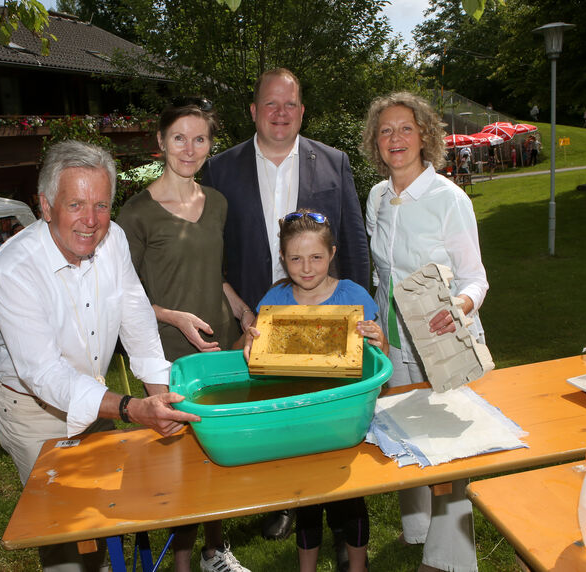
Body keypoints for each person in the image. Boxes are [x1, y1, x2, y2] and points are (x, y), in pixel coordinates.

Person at [0, 140, 200, 571]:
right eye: (76, 204)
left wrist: (162, 404)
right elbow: (44, 374)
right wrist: (132, 407)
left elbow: (136, 320)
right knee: (69, 527)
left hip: (96, 395)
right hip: (32, 408)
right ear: (46, 205)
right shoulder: (13, 267)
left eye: (101, 205)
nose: (91, 221)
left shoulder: (114, 239)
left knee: (107, 509)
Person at [201, 67, 371, 543]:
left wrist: (355, 314)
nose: (280, 113)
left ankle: (337, 503)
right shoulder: (220, 168)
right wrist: (237, 307)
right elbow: (211, 248)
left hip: (325, 315)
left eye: (290, 105)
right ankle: (279, 501)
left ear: (302, 112)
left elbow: (353, 245)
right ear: (254, 111)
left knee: (320, 413)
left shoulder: (333, 162)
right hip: (257, 316)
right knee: (270, 408)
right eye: (270, 104)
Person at [116, 98, 252, 572]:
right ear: (160, 142)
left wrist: (239, 307)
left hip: (221, 345)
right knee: (178, 463)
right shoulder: (135, 215)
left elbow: (212, 270)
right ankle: (179, 563)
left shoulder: (216, 203)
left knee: (216, 452)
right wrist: (172, 316)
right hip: (170, 355)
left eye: (200, 139)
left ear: (210, 145)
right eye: (179, 137)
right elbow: (121, 298)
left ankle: (215, 551)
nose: (189, 148)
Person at [361, 92, 488, 572]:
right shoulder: (376, 196)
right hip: (392, 337)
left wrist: (458, 304)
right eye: (386, 130)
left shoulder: (448, 199)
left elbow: (477, 277)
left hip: (441, 335)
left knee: (449, 450)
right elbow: (381, 273)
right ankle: (416, 529)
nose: (396, 139)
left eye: (406, 129)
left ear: (425, 136)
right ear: (376, 141)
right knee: (403, 431)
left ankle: (448, 560)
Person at [238, 209, 387, 572]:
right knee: (304, 498)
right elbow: (258, 360)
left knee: (349, 498)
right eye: (296, 258)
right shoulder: (274, 302)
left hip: (343, 416)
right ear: (283, 258)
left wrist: (379, 342)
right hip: (297, 418)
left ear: (332, 253)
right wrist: (251, 344)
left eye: (316, 257)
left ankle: (357, 565)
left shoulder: (355, 296)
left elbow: (376, 360)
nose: (307, 268)